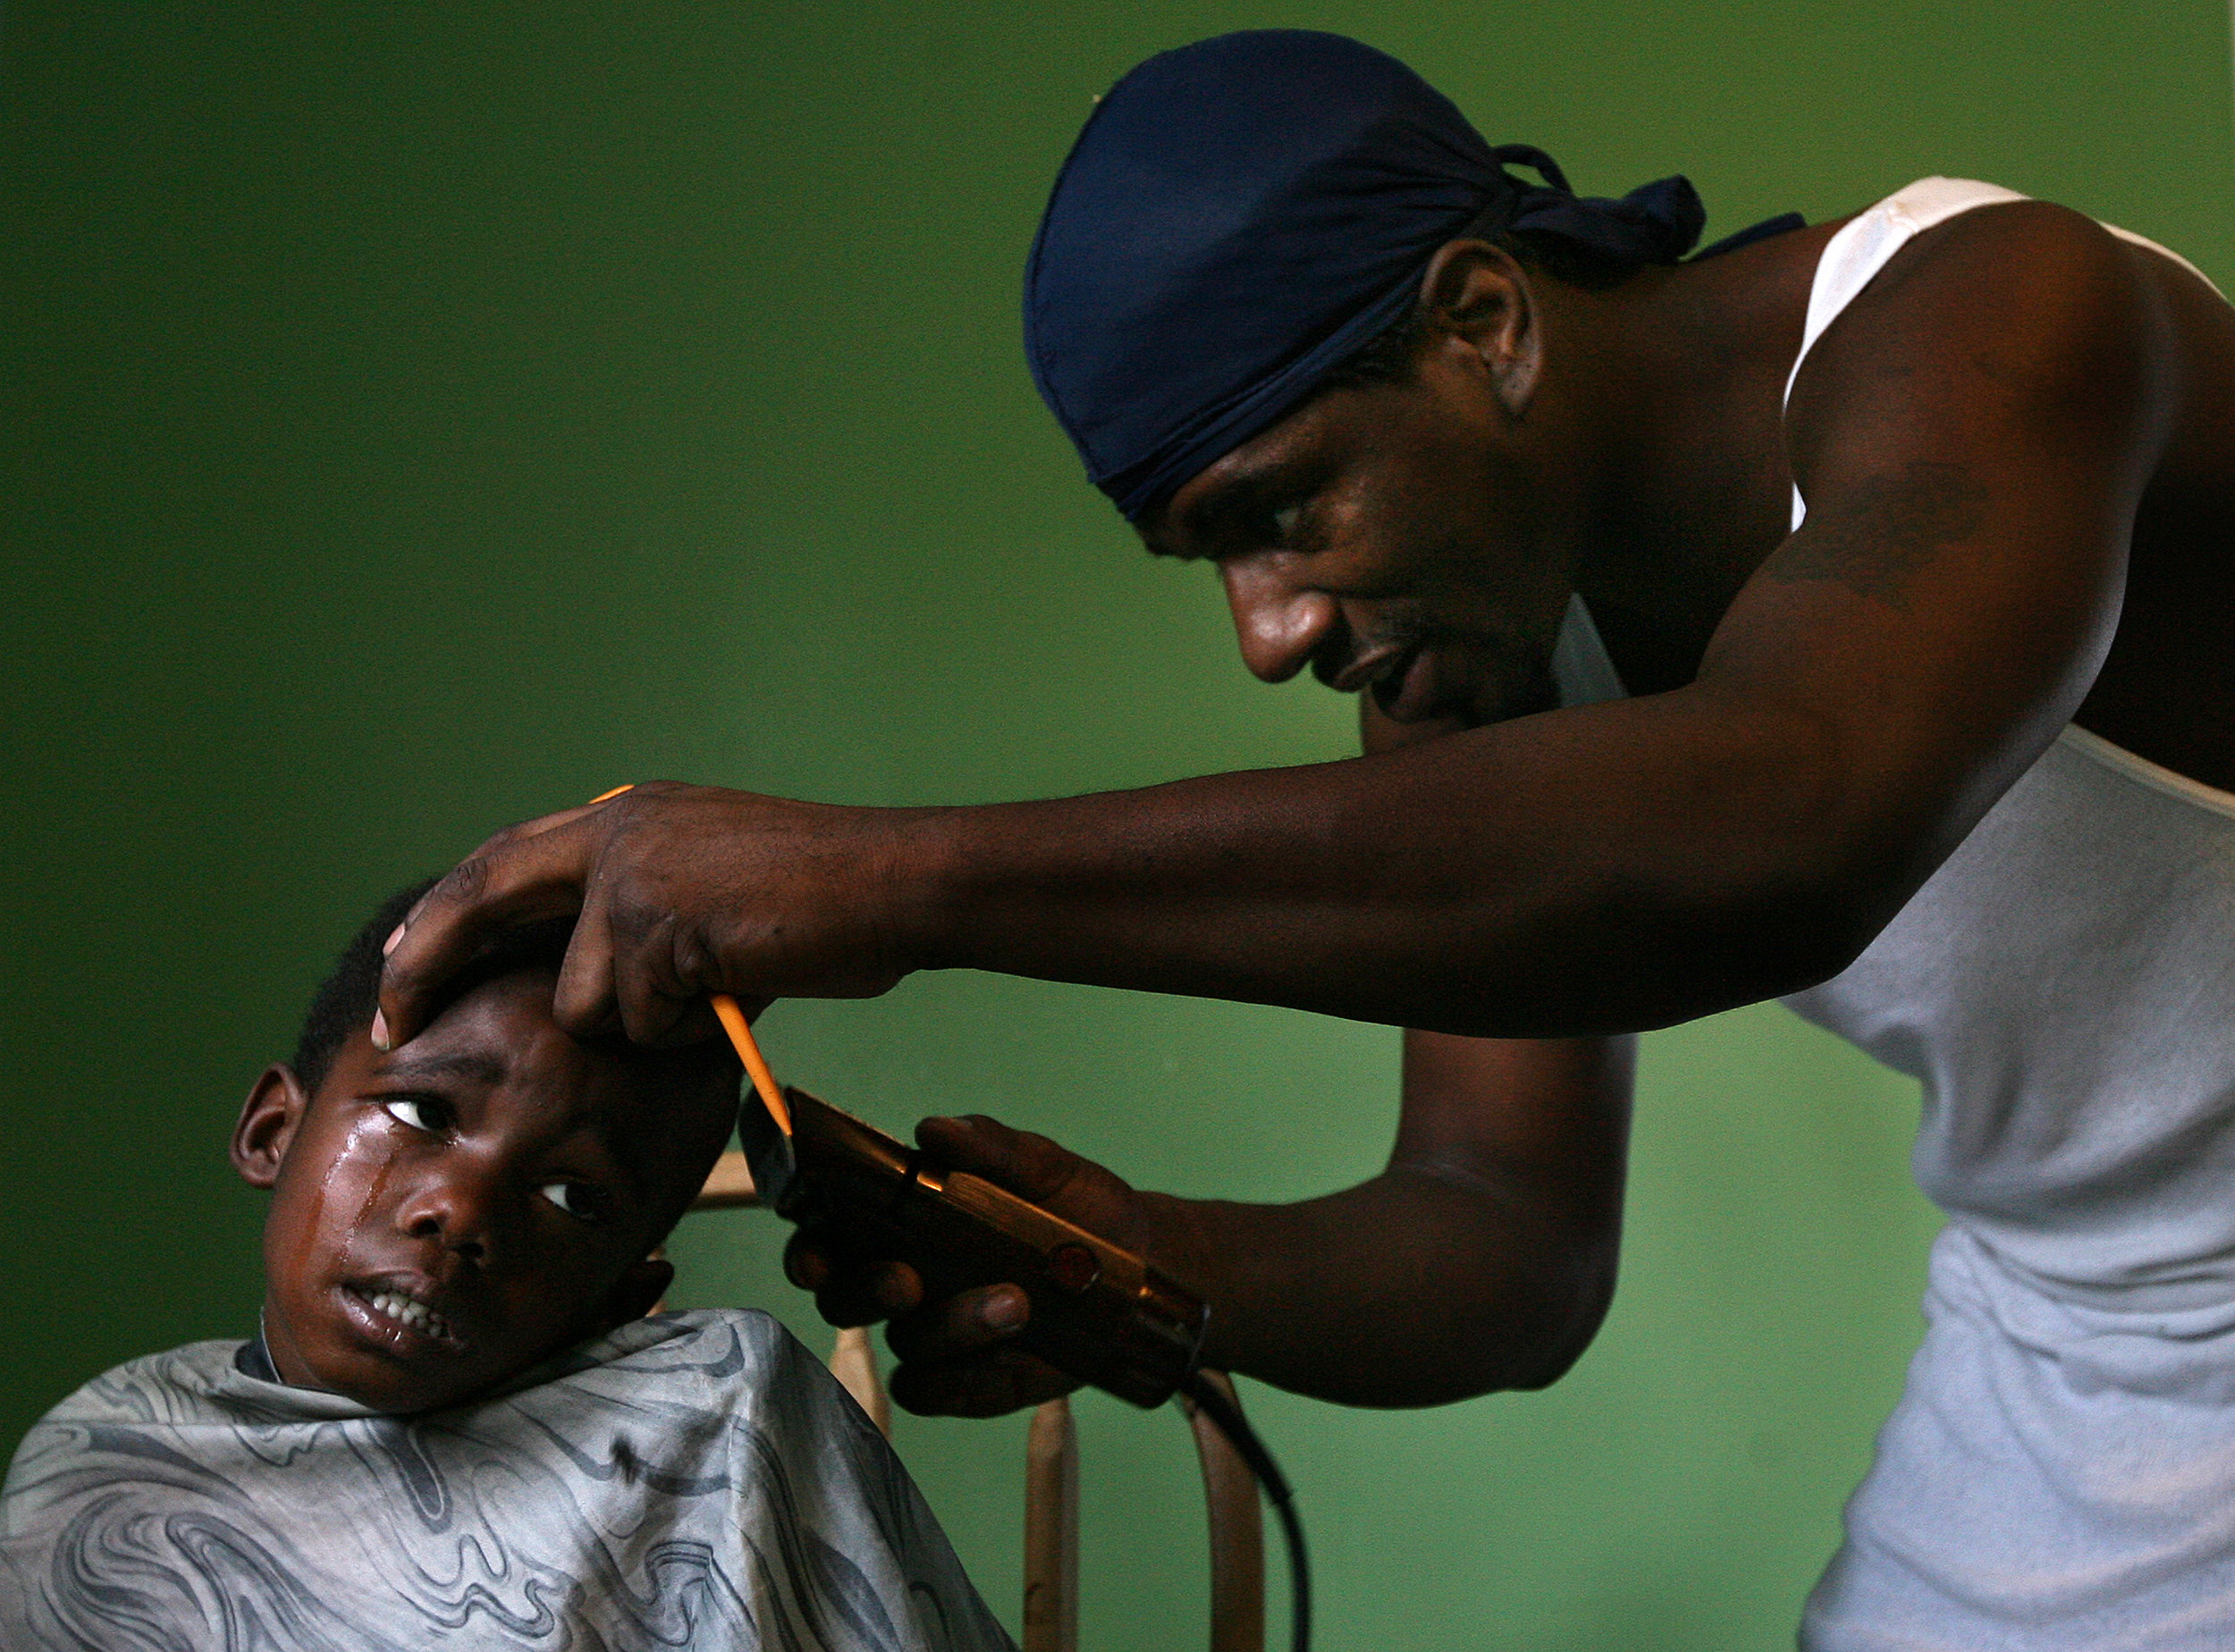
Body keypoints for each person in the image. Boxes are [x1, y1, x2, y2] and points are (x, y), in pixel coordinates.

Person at [372, 30, 2235, 1650]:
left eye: (1279, 515)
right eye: (1215, 564)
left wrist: (881, 876)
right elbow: (1501, 1244)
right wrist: (1140, 1264)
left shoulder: (1998, 315)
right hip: (2074, 1352)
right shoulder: (1479, 647)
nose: (1271, 635)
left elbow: (1793, 817)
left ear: (1481, 324)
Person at [0, 881, 1012, 1652]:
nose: (463, 1213)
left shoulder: (710, 1425)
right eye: (422, 1114)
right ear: (273, 1130)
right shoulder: (107, 1468)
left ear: (626, 1300)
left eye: (575, 1198)